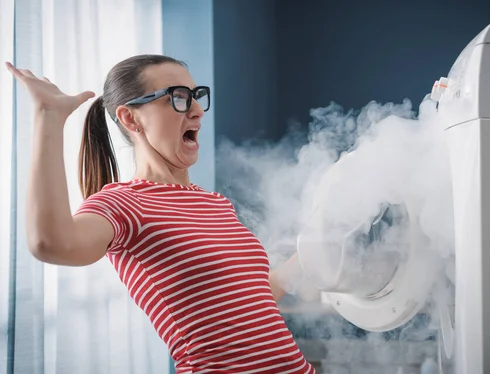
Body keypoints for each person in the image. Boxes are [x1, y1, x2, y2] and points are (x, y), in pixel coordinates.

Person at [5, 55, 315, 374]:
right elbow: (50, 242)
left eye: (196, 96)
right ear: (130, 119)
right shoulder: (123, 203)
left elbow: (253, 296)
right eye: (178, 98)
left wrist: (314, 250)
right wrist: (49, 116)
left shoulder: (215, 203)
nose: (196, 110)